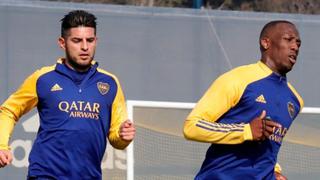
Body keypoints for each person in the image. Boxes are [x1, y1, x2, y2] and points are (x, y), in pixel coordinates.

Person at [0, 10, 135, 179]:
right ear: (62, 43)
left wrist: (124, 136)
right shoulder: (43, 78)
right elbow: (8, 110)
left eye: (90, 40)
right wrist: (1, 145)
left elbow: (116, 139)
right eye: (77, 41)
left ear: (96, 41)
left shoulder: (110, 82)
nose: (85, 47)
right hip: (45, 174)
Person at [183, 20, 303, 180]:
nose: (295, 47)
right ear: (266, 43)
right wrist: (245, 131)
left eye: (298, 43)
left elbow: (269, 147)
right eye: (288, 40)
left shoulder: (295, 100)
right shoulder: (238, 79)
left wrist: (275, 170)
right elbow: (192, 126)